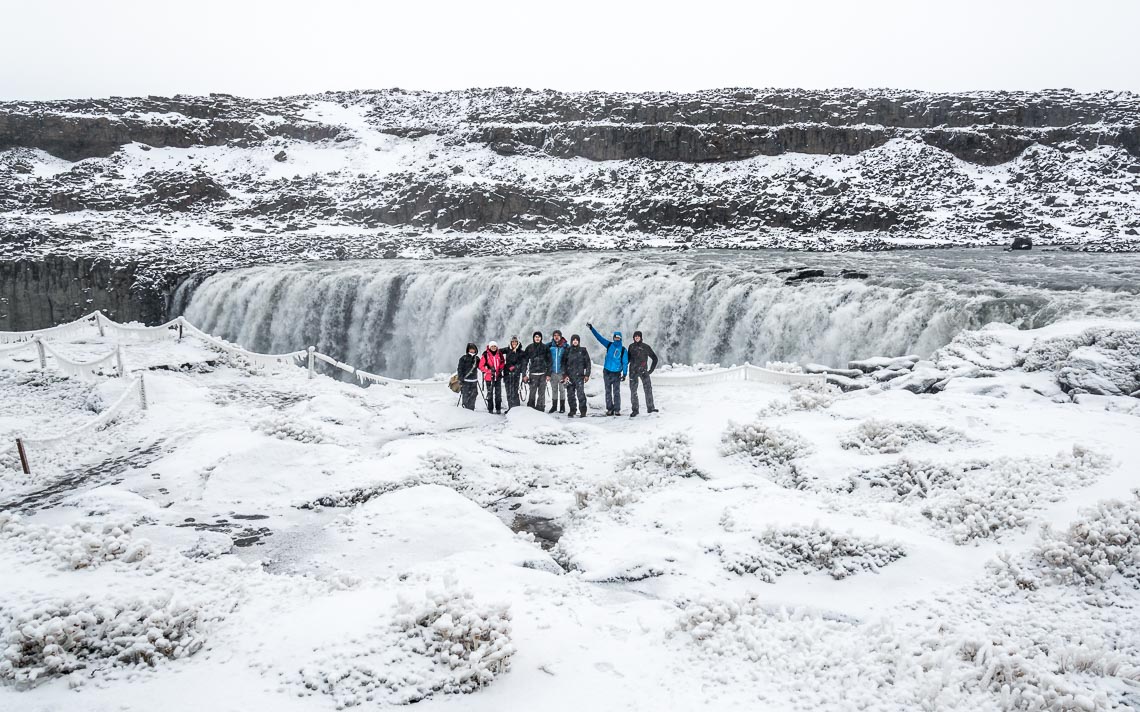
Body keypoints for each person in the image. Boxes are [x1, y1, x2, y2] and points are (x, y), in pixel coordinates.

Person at [588, 322, 628, 416]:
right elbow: (599, 338)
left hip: (616, 373)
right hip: (607, 372)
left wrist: (625, 373)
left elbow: (625, 362)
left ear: (621, 338)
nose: (616, 339)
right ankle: (610, 409)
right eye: (615, 337)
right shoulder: (609, 345)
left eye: (618, 337)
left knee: (616, 392)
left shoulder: (623, 350)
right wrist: (591, 328)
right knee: (608, 392)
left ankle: (617, 409)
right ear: (613, 338)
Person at [627, 330, 659, 417]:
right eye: (635, 336)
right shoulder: (631, 347)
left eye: (638, 336)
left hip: (643, 371)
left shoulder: (646, 347)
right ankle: (635, 410)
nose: (637, 337)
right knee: (633, 391)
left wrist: (651, 370)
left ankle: (651, 408)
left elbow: (655, 358)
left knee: (648, 389)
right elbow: (627, 360)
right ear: (633, 338)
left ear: (641, 337)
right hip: (633, 371)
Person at [562, 334, 591, 418]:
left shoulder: (583, 350)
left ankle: (583, 411)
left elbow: (588, 363)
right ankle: (572, 410)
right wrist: (565, 375)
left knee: (580, 394)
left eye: (576, 340)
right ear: (571, 341)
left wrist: (587, 374)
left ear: (579, 341)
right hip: (569, 376)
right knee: (570, 395)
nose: (575, 341)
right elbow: (563, 363)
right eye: (573, 340)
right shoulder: (567, 350)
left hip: (580, 376)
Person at [523, 331, 551, 411]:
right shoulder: (529, 347)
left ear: (541, 338)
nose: (537, 338)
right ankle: (531, 407)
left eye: (539, 337)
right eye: (536, 337)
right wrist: (525, 374)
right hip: (533, 373)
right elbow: (525, 361)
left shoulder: (545, 348)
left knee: (542, 392)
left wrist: (548, 374)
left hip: (543, 374)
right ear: (533, 338)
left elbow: (549, 362)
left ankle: (540, 407)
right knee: (532, 392)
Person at [478, 341, 506, 413]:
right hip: (489, 378)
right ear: (489, 347)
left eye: (495, 346)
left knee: (498, 394)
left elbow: (502, 362)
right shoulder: (485, 355)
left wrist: (500, 368)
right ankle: (490, 409)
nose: (493, 347)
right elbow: (481, 366)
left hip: (498, 377)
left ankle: (498, 409)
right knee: (490, 394)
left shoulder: (499, 354)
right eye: (492, 346)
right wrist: (489, 370)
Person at [547, 330, 569, 414]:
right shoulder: (549, 346)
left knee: (562, 389)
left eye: (558, 335)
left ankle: (562, 407)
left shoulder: (565, 346)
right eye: (555, 335)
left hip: (561, 372)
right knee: (554, 389)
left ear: (560, 336)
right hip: (552, 372)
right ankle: (554, 406)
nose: (556, 337)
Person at [503, 336, 526, 409]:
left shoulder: (521, 352)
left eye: (515, 342)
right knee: (508, 391)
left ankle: (517, 408)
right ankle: (510, 408)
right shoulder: (507, 350)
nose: (514, 343)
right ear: (511, 342)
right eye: (512, 341)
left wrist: (516, 368)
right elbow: (495, 351)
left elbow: (523, 363)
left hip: (516, 374)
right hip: (507, 373)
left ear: (518, 343)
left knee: (515, 391)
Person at [457, 343, 480, 410]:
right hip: (466, 381)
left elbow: (481, 367)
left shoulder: (477, 358)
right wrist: (460, 379)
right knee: (465, 395)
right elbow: (459, 369)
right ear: (468, 350)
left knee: (474, 395)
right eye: (470, 349)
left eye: (473, 349)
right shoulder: (463, 358)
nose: (472, 350)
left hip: (474, 381)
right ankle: (466, 409)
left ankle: (471, 408)